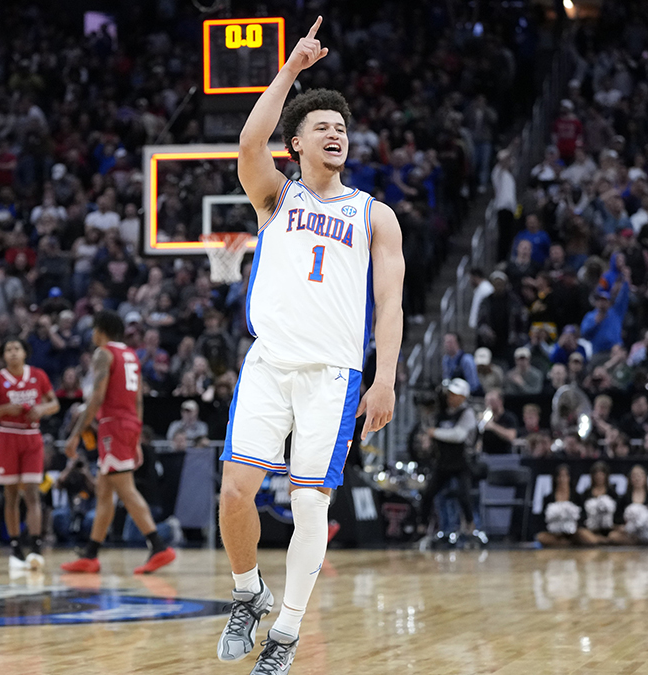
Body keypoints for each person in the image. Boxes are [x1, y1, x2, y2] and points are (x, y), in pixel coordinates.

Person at [216, 17, 404, 673]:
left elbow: (390, 302)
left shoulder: (374, 214)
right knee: (235, 492)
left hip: (332, 376)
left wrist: (384, 379)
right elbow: (246, 141)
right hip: (268, 364)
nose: (336, 133)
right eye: (322, 126)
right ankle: (249, 592)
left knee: (306, 506)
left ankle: (288, 632)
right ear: (295, 143)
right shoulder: (275, 195)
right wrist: (292, 70)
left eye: (342, 128)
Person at [60, 310, 176, 575]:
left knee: (125, 488)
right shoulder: (131, 355)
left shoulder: (104, 353)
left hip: (113, 425)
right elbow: (138, 399)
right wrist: (135, 436)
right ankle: (91, 554)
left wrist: (75, 434)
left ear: (100, 330)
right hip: (126, 424)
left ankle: (158, 546)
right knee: (104, 491)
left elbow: (97, 397)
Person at [0, 339, 60, 571]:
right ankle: (15, 546)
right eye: (8, 350)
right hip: (7, 436)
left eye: (16, 349)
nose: (12, 353)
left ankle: (36, 546)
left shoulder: (38, 375)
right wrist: (2, 410)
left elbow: (55, 404)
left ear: (24, 353)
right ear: (3, 356)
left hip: (32, 437)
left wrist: (41, 409)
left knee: (32, 493)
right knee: (10, 495)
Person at [416, 379, 481, 543]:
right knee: (428, 493)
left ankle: (470, 527)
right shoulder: (442, 412)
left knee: (464, 495)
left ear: (464, 397)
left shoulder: (467, 413)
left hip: (461, 462)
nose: (451, 397)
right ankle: (422, 527)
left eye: (455, 395)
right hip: (443, 461)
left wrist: (435, 432)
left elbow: (458, 435)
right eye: (450, 394)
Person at [479, 390, 518, 454]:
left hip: (504, 455)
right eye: (487, 401)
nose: (489, 404)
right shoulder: (485, 418)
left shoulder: (509, 417)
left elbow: (511, 436)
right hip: (486, 455)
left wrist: (493, 426)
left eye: (492, 401)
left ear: (500, 401)